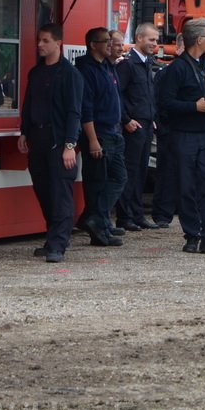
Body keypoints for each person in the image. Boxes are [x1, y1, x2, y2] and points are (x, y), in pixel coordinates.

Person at [156, 19, 205, 254]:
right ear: (199, 40)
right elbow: (165, 102)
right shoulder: (177, 69)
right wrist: (192, 107)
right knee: (187, 186)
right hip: (185, 136)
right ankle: (192, 235)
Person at [17, 23, 84, 263]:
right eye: (39, 41)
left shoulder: (70, 75)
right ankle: (53, 236)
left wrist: (69, 145)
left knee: (60, 193)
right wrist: (24, 132)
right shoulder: (35, 73)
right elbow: (28, 104)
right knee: (43, 190)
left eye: (45, 41)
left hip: (59, 140)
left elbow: (74, 112)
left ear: (58, 43)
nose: (40, 45)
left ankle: (58, 244)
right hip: (38, 137)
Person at [75, 27, 128, 248]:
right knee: (96, 183)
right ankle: (98, 227)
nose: (110, 44)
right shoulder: (85, 70)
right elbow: (86, 108)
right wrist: (93, 139)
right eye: (105, 41)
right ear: (93, 45)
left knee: (118, 177)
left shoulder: (108, 67)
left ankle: (95, 219)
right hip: (99, 134)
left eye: (110, 40)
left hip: (114, 132)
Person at [114, 23, 161, 231]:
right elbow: (118, 95)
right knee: (130, 172)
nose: (155, 44)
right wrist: (126, 120)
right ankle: (125, 217)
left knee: (141, 172)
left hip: (146, 125)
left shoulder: (147, 63)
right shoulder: (128, 64)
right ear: (139, 38)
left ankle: (137, 214)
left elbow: (146, 95)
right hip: (133, 126)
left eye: (156, 40)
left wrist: (152, 116)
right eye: (152, 40)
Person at [150, 33, 184, 228]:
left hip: (188, 130)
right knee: (167, 171)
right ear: (178, 48)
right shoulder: (167, 73)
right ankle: (163, 213)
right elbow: (159, 100)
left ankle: (182, 206)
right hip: (170, 128)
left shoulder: (202, 69)